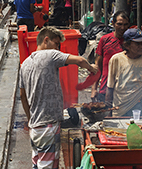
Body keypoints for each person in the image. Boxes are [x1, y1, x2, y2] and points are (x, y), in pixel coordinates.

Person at [20, 26, 98, 169]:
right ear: (46, 40)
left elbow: (22, 95)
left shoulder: (25, 63)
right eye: (56, 44)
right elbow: (80, 60)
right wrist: (92, 68)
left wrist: (30, 118)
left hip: (36, 125)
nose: (58, 48)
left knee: (38, 163)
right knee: (47, 165)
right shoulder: (50, 54)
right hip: (47, 125)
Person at [105, 28, 142, 116]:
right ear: (127, 45)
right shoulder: (116, 59)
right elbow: (110, 87)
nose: (141, 46)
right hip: (121, 107)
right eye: (137, 44)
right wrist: (108, 112)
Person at [91, 11, 130, 102]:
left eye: (125, 25)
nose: (122, 28)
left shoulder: (132, 42)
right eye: (119, 24)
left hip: (126, 91)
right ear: (113, 23)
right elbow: (98, 66)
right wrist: (94, 89)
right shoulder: (105, 40)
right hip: (105, 89)